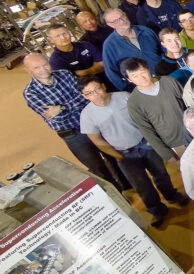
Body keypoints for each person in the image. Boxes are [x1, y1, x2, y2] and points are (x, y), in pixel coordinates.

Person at [77, 75, 187, 227]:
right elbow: (96, 140)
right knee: (141, 184)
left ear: (103, 86)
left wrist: (152, 137)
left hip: (145, 144)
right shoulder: (87, 115)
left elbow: (144, 115)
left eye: (97, 88)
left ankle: (172, 195)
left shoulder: (124, 97)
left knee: (160, 172)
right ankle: (156, 209)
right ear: (85, 96)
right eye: (90, 92)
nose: (96, 94)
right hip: (123, 153)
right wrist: (117, 156)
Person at [22, 55, 127, 190]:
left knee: (113, 154)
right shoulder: (31, 93)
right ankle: (118, 195)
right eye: (37, 68)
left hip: (94, 124)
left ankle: (128, 186)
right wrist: (70, 106)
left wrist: (61, 108)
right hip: (73, 134)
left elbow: (85, 98)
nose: (44, 69)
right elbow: (56, 119)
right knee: (98, 169)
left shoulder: (65, 74)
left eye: (45, 64)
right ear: (28, 70)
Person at [122, 59, 186, 162]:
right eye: (135, 76)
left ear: (148, 69)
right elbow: (147, 131)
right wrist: (166, 154)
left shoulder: (169, 81)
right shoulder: (134, 102)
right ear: (129, 80)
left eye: (143, 72)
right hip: (175, 144)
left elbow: (188, 105)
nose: (141, 78)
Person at [101, 8, 162, 90]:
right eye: (116, 21)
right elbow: (111, 72)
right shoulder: (109, 45)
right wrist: (128, 89)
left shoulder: (145, 30)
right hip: (142, 87)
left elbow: (163, 48)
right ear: (110, 25)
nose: (122, 21)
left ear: (125, 14)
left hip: (164, 76)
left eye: (122, 16)